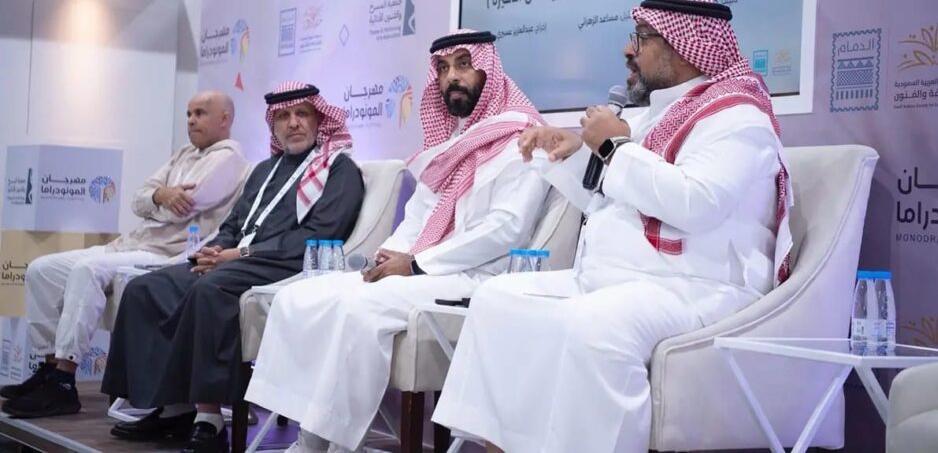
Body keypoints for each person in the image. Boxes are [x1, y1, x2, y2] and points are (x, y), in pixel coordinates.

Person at [432, 0, 794, 453]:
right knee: (497, 299)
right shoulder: (660, 115)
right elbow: (614, 201)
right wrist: (566, 156)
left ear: (685, 48)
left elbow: (697, 203)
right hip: (624, 279)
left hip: (699, 285)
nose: (628, 50)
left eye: (641, 38)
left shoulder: (738, 117)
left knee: (593, 325)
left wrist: (614, 147)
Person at [244, 30, 550, 453]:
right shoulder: (450, 144)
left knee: (359, 306)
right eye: (443, 68)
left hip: (474, 276)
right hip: (420, 268)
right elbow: (418, 217)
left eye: (464, 64)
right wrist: (391, 255)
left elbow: (505, 229)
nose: (451, 77)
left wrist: (416, 264)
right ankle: (310, 435)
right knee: (303, 296)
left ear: (489, 70)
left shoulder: (524, 139)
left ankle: (333, 443)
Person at [101, 81, 365, 453]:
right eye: (283, 116)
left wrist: (240, 255)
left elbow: (320, 233)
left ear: (319, 119)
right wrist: (217, 249)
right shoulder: (265, 170)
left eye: (302, 114)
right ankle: (173, 409)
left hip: (287, 264)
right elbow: (234, 223)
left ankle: (209, 421)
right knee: (148, 288)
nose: (293, 123)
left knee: (210, 290)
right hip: (237, 259)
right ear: (273, 125)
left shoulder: (337, 169)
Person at [1, 91, 248, 419]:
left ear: (224, 119)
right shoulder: (183, 153)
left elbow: (185, 207)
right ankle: (48, 370)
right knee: (41, 269)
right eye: (189, 114)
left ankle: (64, 380)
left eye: (200, 113)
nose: (191, 120)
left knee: (88, 269)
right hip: (130, 243)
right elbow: (138, 199)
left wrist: (155, 201)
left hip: (169, 252)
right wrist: (160, 195)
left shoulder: (229, 158)